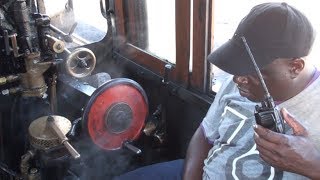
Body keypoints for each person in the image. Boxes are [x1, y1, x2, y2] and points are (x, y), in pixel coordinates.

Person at [115, 2, 320, 179]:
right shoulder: (242, 78)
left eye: (254, 72)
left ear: (295, 67)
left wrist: (313, 166)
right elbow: (205, 135)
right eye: (239, 67)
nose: (237, 78)